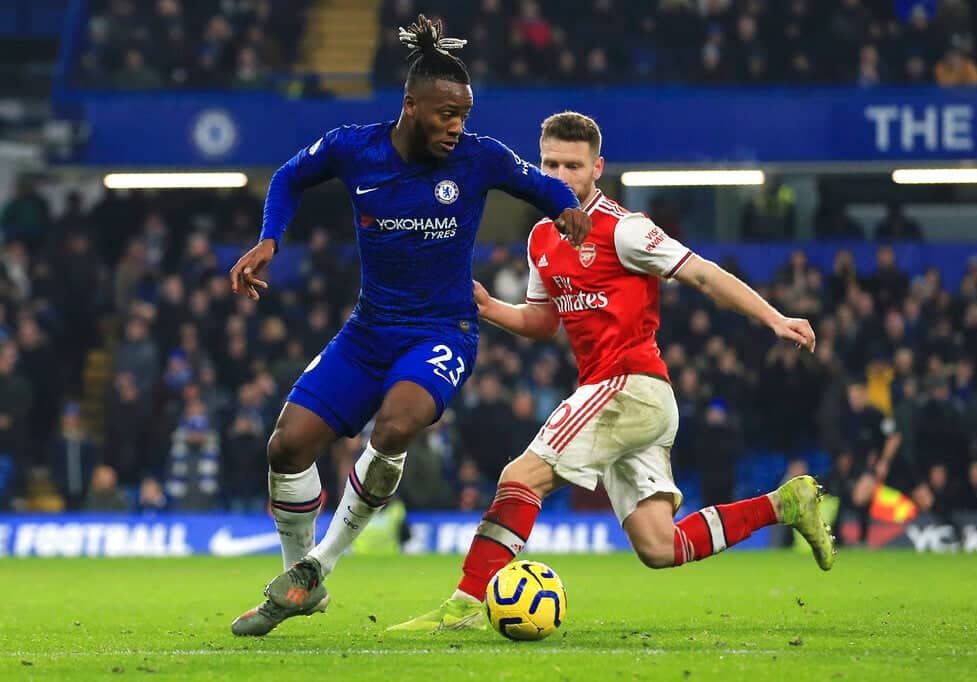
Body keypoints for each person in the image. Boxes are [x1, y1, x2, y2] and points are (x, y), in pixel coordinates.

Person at [389, 111, 835, 632]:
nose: (560, 176)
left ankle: (463, 606)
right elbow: (542, 322)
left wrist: (774, 318)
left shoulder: (624, 229)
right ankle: (784, 505)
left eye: (573, 166)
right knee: (660, 545)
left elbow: (703, 274)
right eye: (550, 164)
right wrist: (489, 307)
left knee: (520, 477)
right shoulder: (541, 238)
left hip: (629, 386)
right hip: (625, 399)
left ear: (597, 168)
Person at [229, 15, 590, 636]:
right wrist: (269, 240)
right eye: (446, 114)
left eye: (464, 115)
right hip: (369, 330)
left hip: (443, 331)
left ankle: (320, 563)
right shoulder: (354, 149)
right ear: (411, 106)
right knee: (286, 446)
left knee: (395, 424)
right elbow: (289, 176)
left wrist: (568, 211)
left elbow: (543, 187)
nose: (457, 127)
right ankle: (300, 581)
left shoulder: (479, 159)